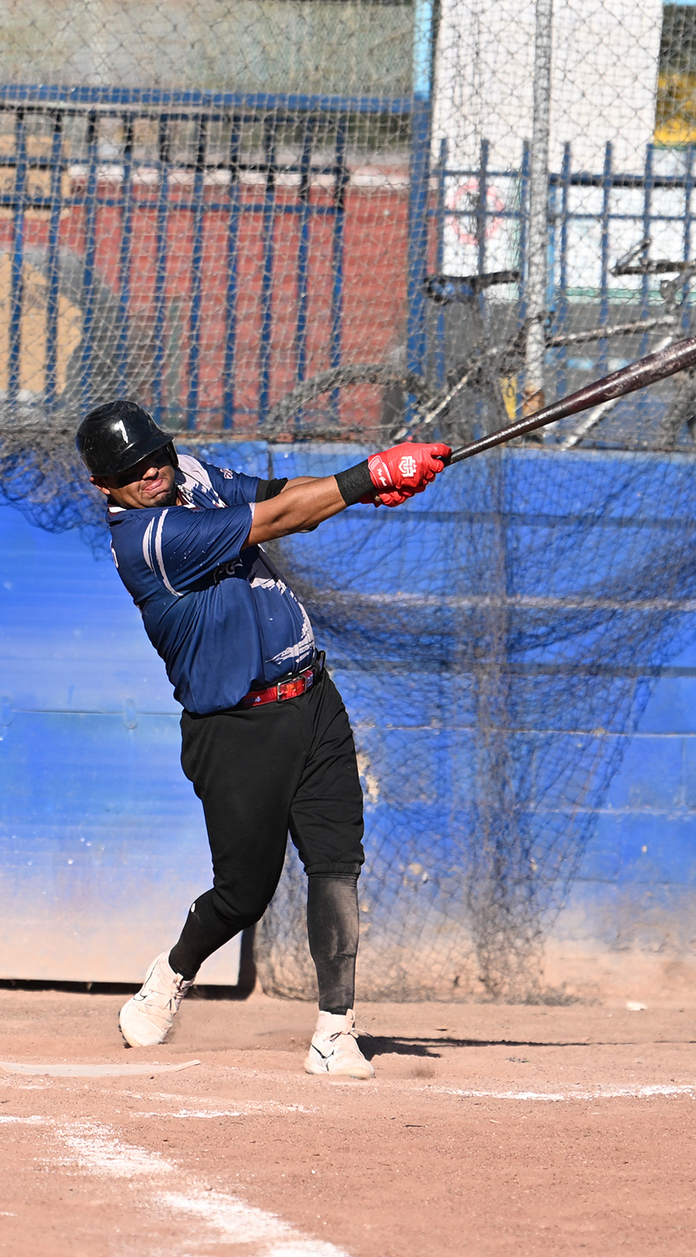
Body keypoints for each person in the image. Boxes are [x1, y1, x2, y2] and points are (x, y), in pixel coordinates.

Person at [78, 400, 450, 1079]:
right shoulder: (148, 539)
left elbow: (279, 494)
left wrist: (366, 489)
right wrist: (370, 473)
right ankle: (173, 971)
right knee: (245, 893)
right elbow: (282, 519)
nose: (152, 472)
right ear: (105, 486)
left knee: (338, 861)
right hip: (237, 727)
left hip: (311, 696)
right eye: (131, 470)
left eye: (154, 454)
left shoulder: (189, 473)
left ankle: (335, 1030)